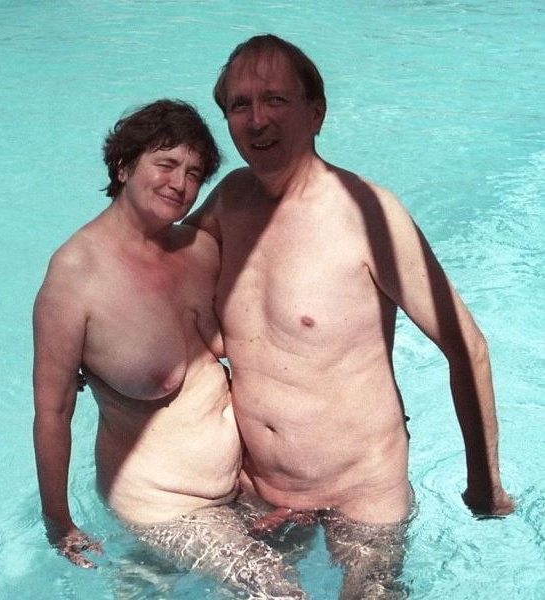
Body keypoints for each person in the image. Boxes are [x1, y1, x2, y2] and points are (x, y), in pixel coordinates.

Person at [185, 35, 515, 598]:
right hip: (261, 488)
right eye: (240, 105)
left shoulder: (367, 214)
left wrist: (485, 485)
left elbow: (468, 347)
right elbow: (153, 270)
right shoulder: (229, 201)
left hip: (361, 495)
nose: (257, 120)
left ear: (316, 112)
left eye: (275, 99)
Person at [32, 99, 306, 599]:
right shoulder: (75, 277)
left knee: (328, 535)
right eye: (166, 164)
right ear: (123, 166)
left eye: (194, 173)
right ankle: (152, 565)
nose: (180, 183)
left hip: (242, 484)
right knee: (277, 591)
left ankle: (147, 576)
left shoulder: (199, 250)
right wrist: (59, 523)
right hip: (163, 503)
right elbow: (53, 410)